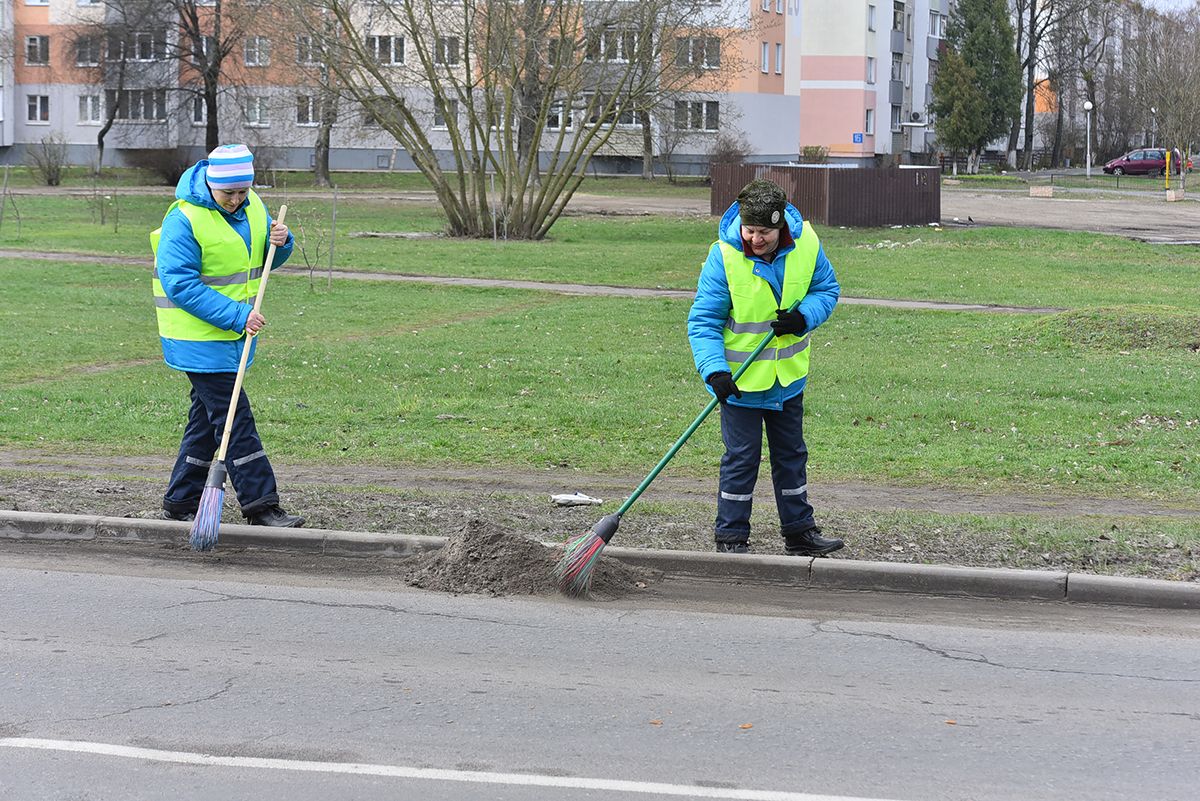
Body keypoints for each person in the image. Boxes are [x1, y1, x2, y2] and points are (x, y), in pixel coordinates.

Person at [151, 144, 304, 527]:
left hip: (234, 337)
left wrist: (283, 243)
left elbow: (262, 259)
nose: (237, 200)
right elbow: (179, 284)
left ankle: (181, 500)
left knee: (206, 424)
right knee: (236, 419)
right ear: (210, 184)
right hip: (198, 340)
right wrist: (239, 315)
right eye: (229, 193)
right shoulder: (184, 218)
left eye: (243, 191)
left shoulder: (253, 206)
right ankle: (261, 505)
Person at [687, 178, 841, 556]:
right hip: (739, 384)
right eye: (750, 230)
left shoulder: (807, 244)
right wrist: (714, 371)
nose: (755, 239)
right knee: (741, 460)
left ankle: (799, 532)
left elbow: (827, 290)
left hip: (787, 379)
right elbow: (703, 321)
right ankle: (731, 538)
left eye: (764, 232)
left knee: (791, 456)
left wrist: (804, 317)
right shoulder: (723, 257)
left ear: (781, 226)